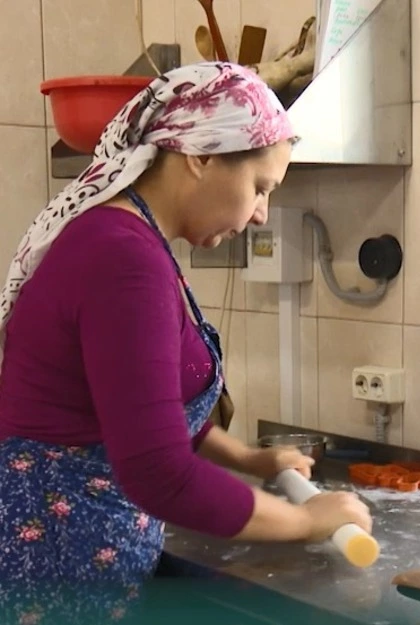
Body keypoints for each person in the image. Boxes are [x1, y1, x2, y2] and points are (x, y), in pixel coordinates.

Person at [0, 62, 372, 624]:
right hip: (60, 565)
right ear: (200, 157)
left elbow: (146, 405)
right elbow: (159, 472)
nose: (259, 214)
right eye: (259, 188)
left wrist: (248, 457)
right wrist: (306, 520)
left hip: (80, 552)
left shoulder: (128, 241)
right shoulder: (123, 261)